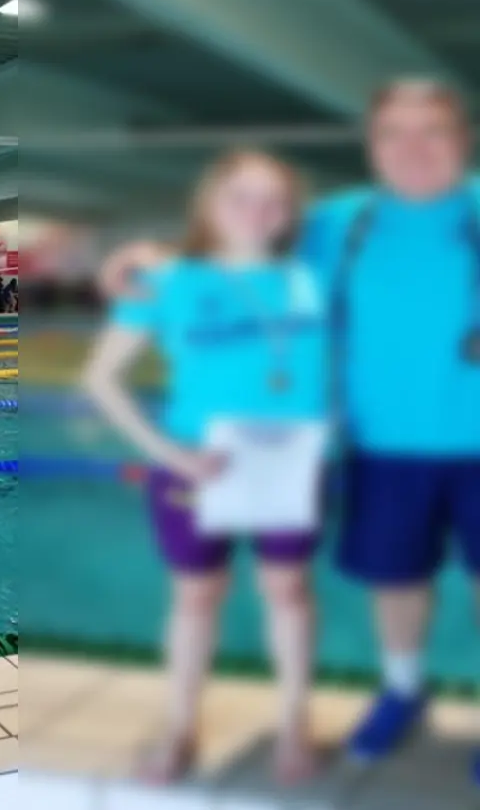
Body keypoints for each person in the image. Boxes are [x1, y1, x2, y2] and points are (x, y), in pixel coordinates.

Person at [97, 79, 480, 776]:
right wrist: (143, 258)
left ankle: (314, 725)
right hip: (377, 448)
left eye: (435, 130)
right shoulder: (342, 224)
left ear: (466, 137)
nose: (415, 148)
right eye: (396, 131)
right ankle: (400, 690)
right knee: (397, 580)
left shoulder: (455, 215)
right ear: (374, 143)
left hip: (434, 448)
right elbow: (232, 252)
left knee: (303, 592)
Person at [84, 150, 328, 784]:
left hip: (289, 462)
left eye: (272, 200)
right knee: (195, 599)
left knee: (289, 592)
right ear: (211, 204)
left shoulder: (312, 278)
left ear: (289, 213)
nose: (256, 213)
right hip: (195, 464)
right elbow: (103, 379)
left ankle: (295, 724)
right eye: (241, 197)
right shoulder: (168, 283)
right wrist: (172, 455)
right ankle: (181, 728)